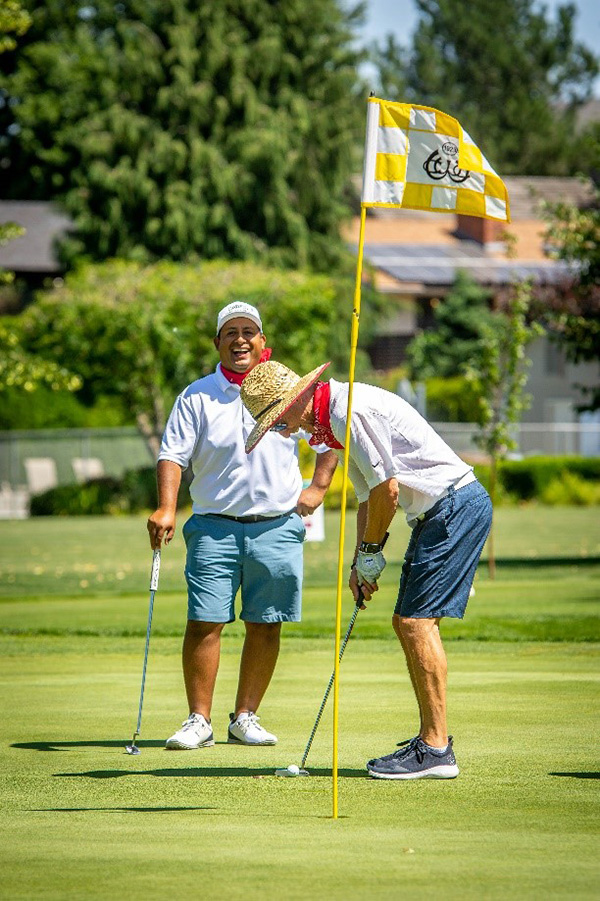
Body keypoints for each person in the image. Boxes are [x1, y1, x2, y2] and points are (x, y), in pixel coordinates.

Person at [240, 359, 492, 779]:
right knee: (407, 622)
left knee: (414, 623)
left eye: (279, 423)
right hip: (438, 512)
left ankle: (436, 748)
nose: (285, 433)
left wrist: (373, 549)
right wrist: (360, 561)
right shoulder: (334, 424)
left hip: (454, 506)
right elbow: (366, 497)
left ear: (295, 400)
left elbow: (387, 489)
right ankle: (433, 742)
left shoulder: (346, 410)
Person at [147, 303, 338, 751]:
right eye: (230, 332)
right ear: (217, 343)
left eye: (249, 331)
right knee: (204, 621)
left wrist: (318, 488)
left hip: (277, 526)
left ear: (262, 341)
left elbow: (330, 435)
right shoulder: (196, 395)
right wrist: (167, 509)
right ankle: (199, 720)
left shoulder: (287, 390)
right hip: (213, 525)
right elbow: (172, 455)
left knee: (266, 623)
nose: (240, 340)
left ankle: (245, 717)